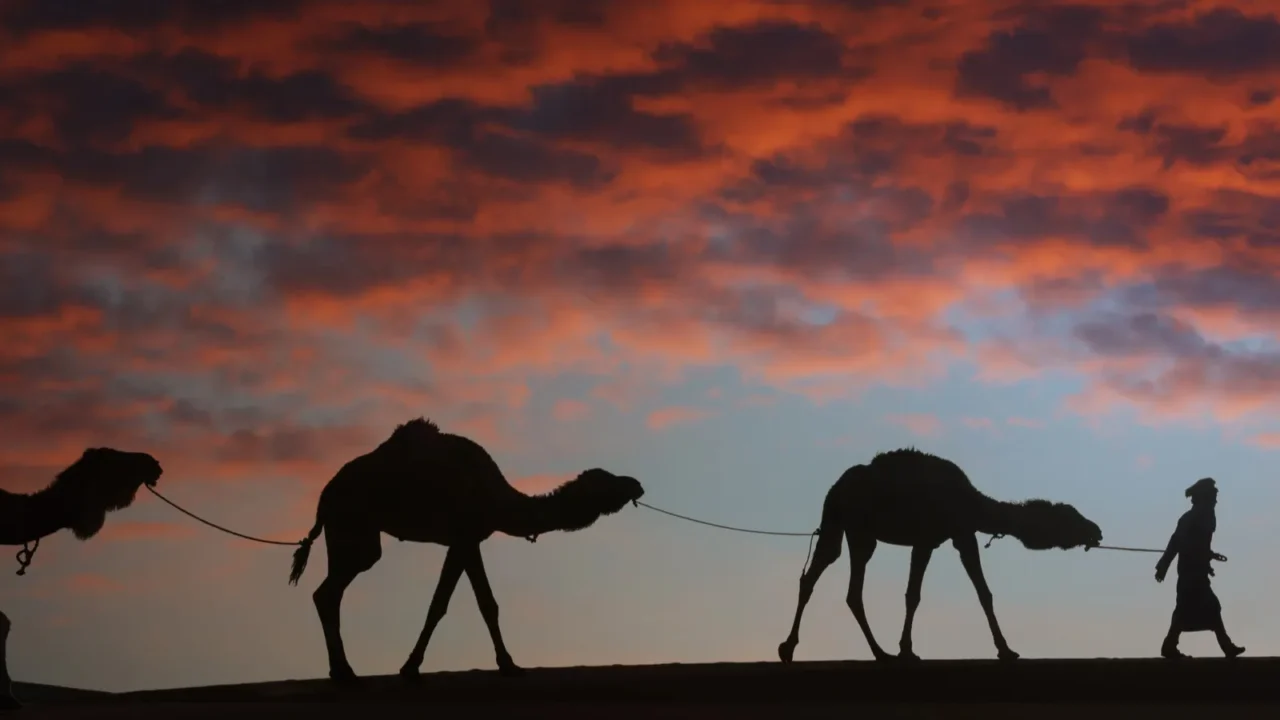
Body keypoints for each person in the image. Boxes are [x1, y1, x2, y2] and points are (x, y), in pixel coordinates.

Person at [1154, 477, 1245, 659]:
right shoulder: (1195, 517)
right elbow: (1177, 542)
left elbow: (1198, 545)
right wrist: (1163, 565)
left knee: (1196, 608)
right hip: (1190, 573)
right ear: (1205, 497)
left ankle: (1171, 645)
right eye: (1213, 496)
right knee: (1204, 606)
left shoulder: (1204, 516)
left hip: (1196, 571)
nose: (1216, 500)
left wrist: (1207, 558)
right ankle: (1224, 646)